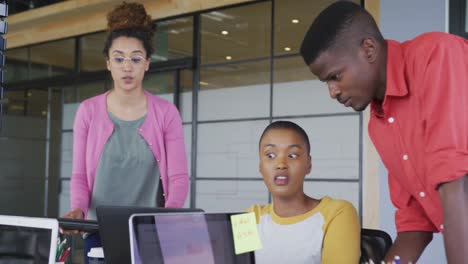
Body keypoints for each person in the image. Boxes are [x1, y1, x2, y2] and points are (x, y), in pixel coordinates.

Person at [300, 2, 468, 263]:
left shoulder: (436, 55)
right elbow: (415, 224)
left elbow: (457, 183)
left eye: (335, 76)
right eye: (326, 82)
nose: (332, 92)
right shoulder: (379, 124)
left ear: (368, 49)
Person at [61, 2, 189, 263]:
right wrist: (78, 211)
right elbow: (80, 176)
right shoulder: (88, 111)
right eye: (119, 58)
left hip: (149, 232)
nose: (127, 66)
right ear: (108, 63)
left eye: (135, 59)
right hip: (98, 232)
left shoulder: (166, 113)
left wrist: (168, 215)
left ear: (147, 64)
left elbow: (178, 177)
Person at [248, 121, 360, 264]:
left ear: (309, 165)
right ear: (260, 166)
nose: (281, 164)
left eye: (293, 155)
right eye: (270, 155)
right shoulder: (249, 217)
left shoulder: (337, 212)